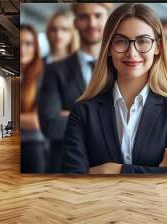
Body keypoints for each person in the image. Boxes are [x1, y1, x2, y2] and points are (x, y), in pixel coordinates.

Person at [62, 3, 167, 174]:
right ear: (109, 48)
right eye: (121, 41)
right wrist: (158, 170)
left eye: (143, 41)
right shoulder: (82, 111)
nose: (132, 52)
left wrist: (113, 170)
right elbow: (72, 177)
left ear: (158, 48)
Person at [38, 3, 113, 172]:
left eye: (98, 16)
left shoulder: (122, 67)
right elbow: (50, 126)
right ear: (75, 22)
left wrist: (73, 114)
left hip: (111, 169)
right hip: (65, 167)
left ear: (108, 19)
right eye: (84, 17)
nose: (92, 23)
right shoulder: (55, 71)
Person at [20, 25, 47, 173]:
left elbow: (36, 121)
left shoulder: (42, 76)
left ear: (35, 47)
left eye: (28, 43)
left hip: (34, 146)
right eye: (20, 43)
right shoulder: (18, 77)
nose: (23, 48)